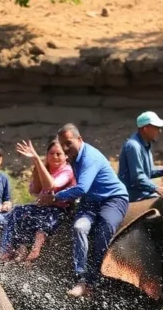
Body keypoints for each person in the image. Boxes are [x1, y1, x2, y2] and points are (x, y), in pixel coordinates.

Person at [44, 124, 129, 298]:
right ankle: (81, 279)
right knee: (79, 228)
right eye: (63, 145)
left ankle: (93, 281)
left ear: (79, 139)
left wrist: (55, 197)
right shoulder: (72, 157)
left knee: (103, 229)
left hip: (112, 198)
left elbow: (81, 188)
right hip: (90, 201)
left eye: (69, 143)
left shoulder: (90, 157)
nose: (66, 149)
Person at [0, 139, 76, 263]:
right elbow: (35, 191)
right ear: (47, 155)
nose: (55, 157)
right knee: (18, 210)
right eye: (52, 153)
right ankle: (15, 247)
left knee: (44, 217)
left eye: (59, 154)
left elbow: (52, 186)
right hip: (42, 206)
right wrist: (37, 166)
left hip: (59, 209)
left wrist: (36, 159)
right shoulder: (44, 168)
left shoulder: (67, 170)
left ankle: (35, 250)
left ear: (66, 156)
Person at [119, 111, 163, 201]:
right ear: (146, 128)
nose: (159, 131)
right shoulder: (134, 146)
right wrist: (155, 188)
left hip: (143, 192)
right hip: (134, 195)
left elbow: (147, 172)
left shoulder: (145, 144)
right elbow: (137, 177)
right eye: (156, 127)